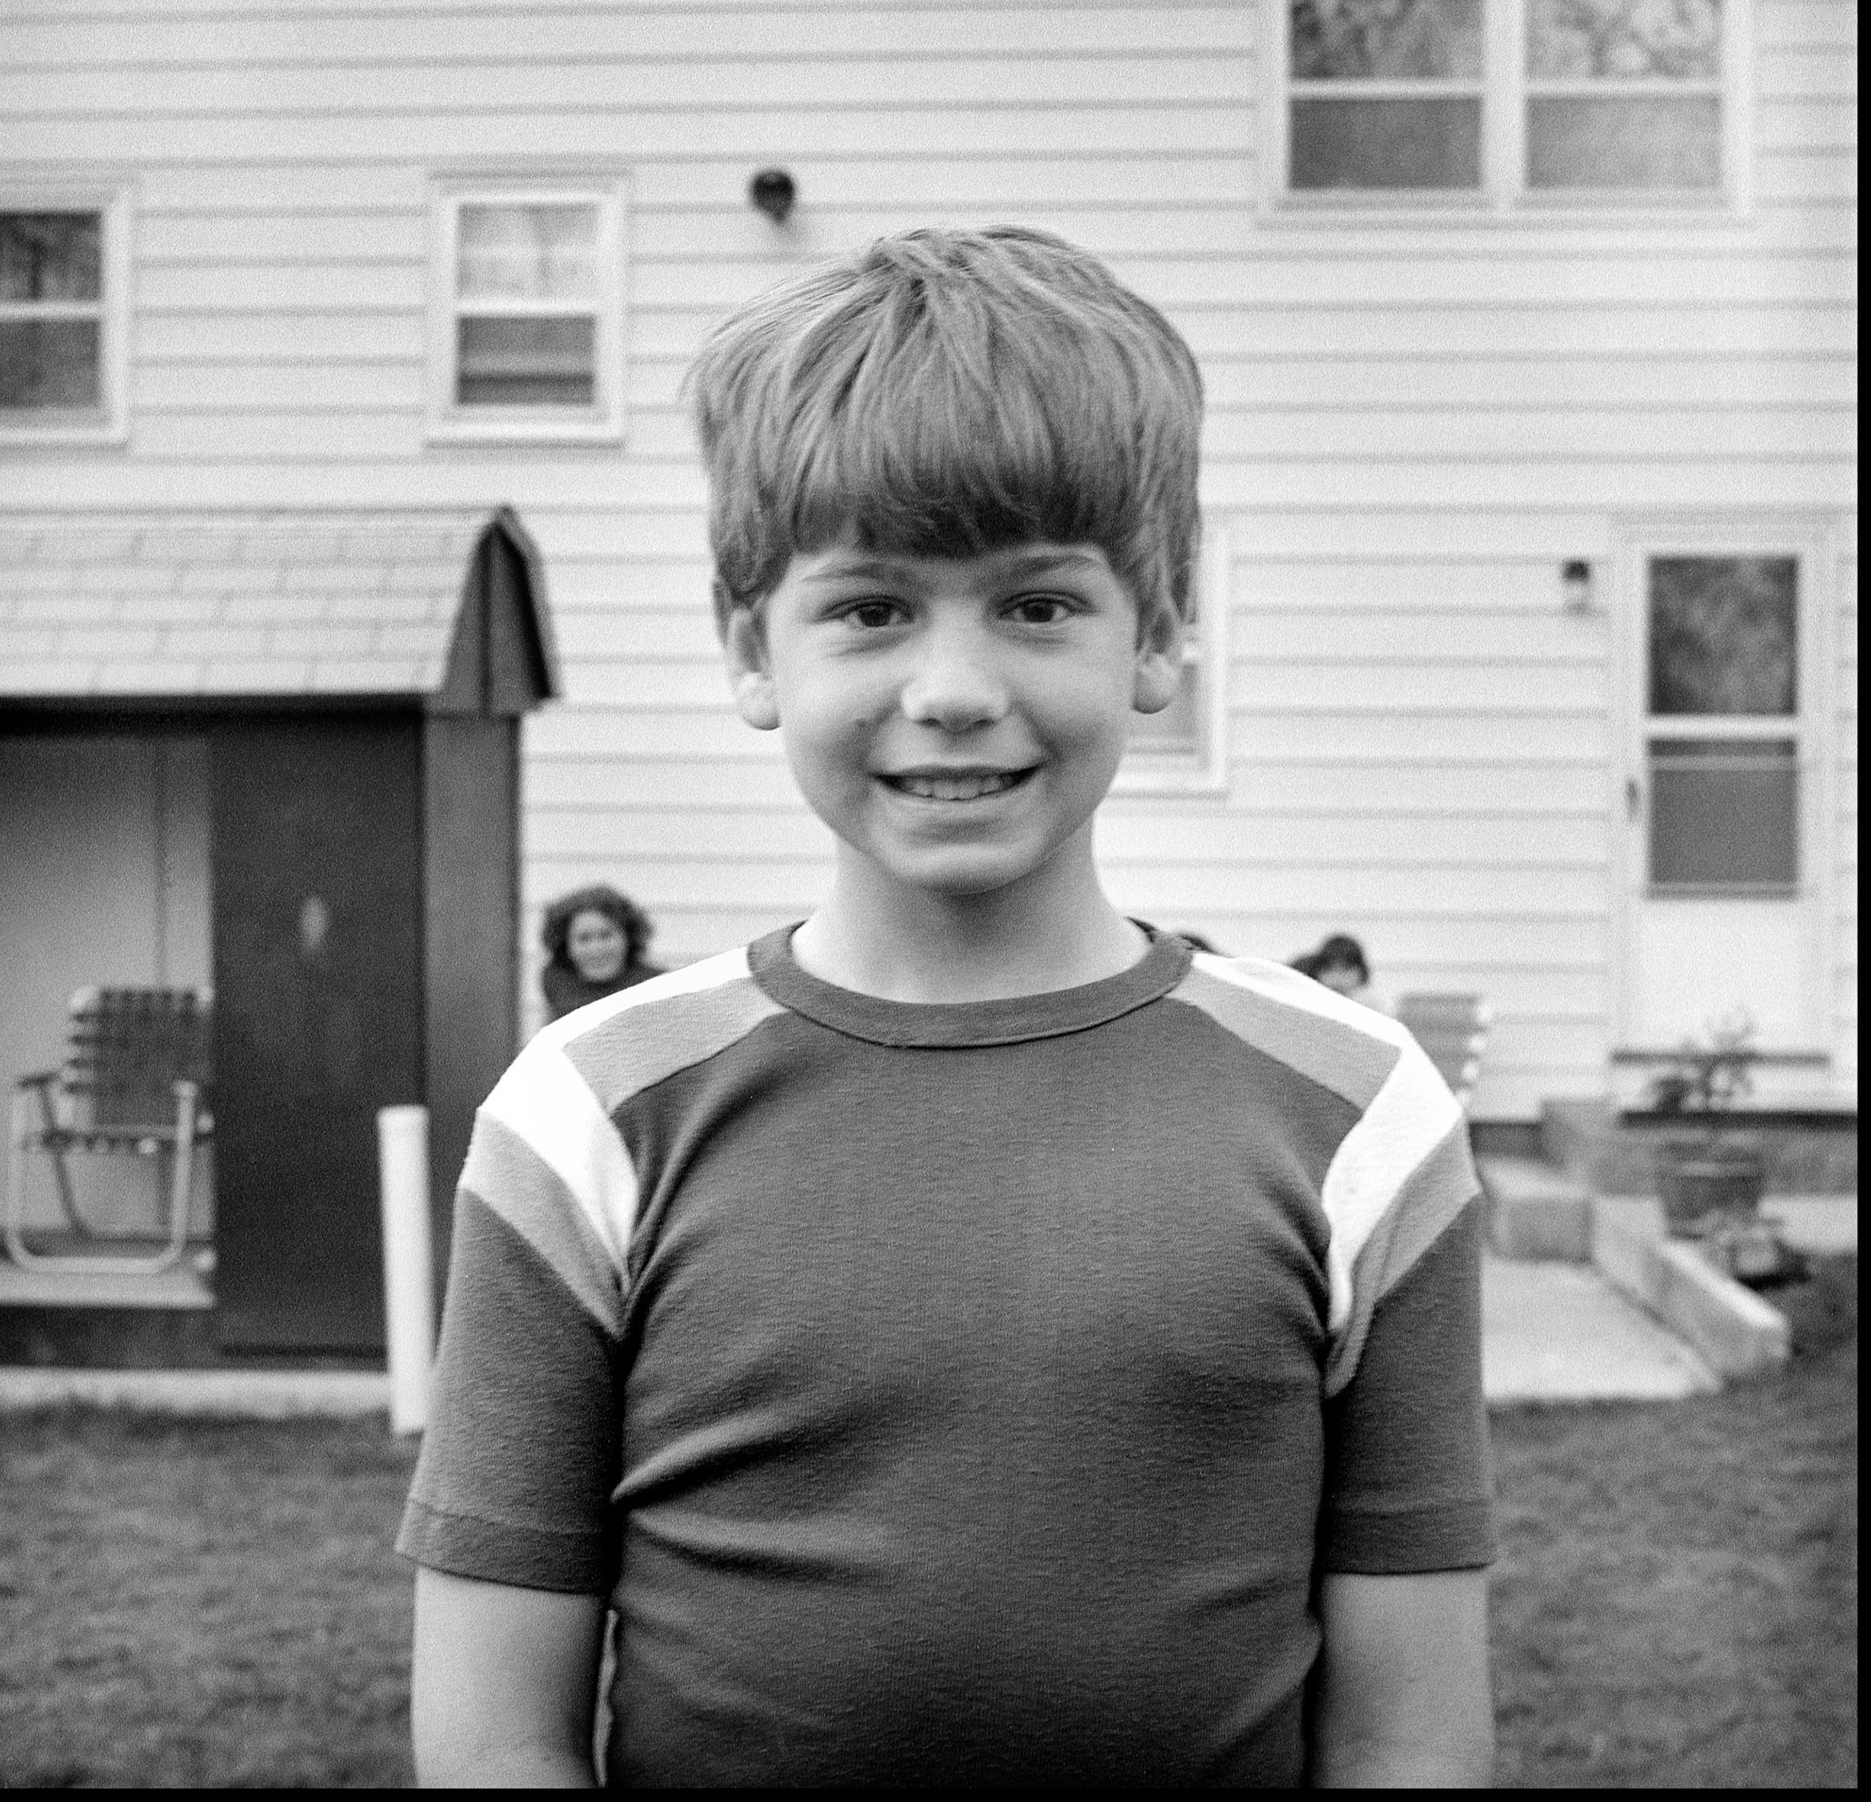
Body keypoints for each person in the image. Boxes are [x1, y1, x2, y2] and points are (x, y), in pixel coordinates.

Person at [399, 227, 1494, 1787]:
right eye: (870, 610)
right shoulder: (589, 1115)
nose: (955, 687)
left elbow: (1409, 1732)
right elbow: (494, 1732)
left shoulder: (1363, 1116)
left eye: (1039, 605)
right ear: (748, 651)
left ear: (1164, 636)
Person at [538, 883, 664, 1022]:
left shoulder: (656, 985)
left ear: (628, 938)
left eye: (605, 936)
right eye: (584, 939)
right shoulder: (557, 983)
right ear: (565, 946)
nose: (596, 949)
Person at [1292, 931, 1389, 1013]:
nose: (1338, 978)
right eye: (1331, 970)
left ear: (1361, 972)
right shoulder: (1309, 1004)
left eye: (1346, 969)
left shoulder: (1373, 1007)